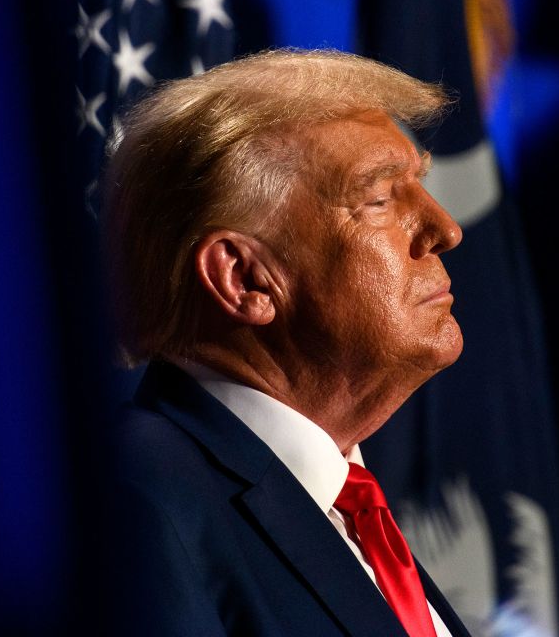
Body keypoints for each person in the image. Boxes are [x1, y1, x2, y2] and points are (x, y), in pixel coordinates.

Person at [101, 49, 471, 636]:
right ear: (244, 278)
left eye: (419, 185)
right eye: (379, 199)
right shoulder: (139, 505)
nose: (445, 229)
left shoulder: (348, 512)